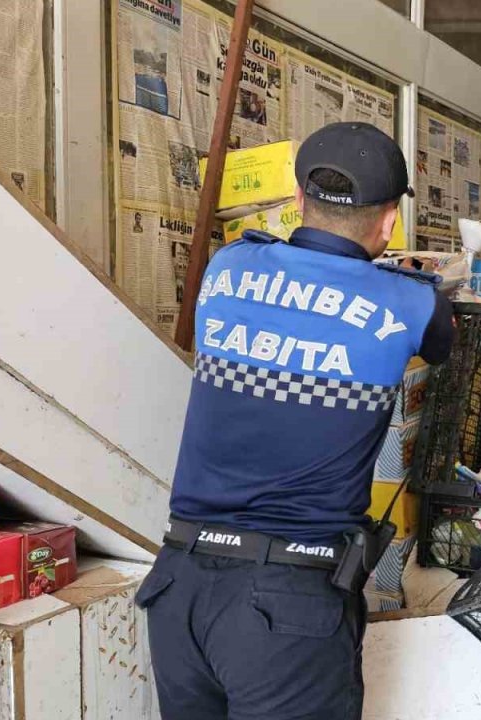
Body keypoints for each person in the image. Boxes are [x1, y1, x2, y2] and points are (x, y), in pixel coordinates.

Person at [136, 122, 454, 720]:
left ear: (298, 201)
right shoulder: (411, 301)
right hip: (286, 606)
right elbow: (441, 345)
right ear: (388, 222)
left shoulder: (228, 267)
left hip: (179, 588)